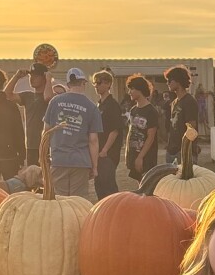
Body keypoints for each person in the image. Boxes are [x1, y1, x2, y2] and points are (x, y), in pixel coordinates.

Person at [41, 67, 101, 200]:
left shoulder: (55, 102)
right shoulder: (91, 107)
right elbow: (93, 140)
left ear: (68, 85)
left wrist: (44, 156)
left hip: (59, 159)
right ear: (84, 83)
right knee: (77, 202)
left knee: (59, 200)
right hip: (80, 161)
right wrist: (94, 167)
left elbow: (46, 132)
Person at [10, 64, 52, 168]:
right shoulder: (27, 96)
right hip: (31, 145)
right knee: (32, 176)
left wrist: (48, 80)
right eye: (30, 76)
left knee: (46, 175)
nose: (32, 79)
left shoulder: (51, 95)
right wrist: (16, 77)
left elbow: (48, 98)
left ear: (44, 77)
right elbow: (7, 95)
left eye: (36, 76)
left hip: (46, 145)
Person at [93, 69, 125, 200]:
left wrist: (105, 150)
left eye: (99, 82)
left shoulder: (112, 105)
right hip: (98, 151)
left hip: (108, 154)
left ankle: (115, 209)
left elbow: (115, 130)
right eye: (95, 83)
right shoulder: (99, 104)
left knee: (108, 186)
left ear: (108, 84)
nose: (96, 86)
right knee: (99, 184)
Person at [124, 74, 160, 181]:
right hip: (133, 154)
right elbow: (130, 132)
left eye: (132, 89)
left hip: (146, 157)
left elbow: (151, 137)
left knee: (147, 185)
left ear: (140, 90)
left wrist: (140, 157)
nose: (129, 92)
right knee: (139, 185)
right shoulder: (133, 110)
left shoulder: (151, 111)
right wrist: (127, 153)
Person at [166, 65, 200, 162]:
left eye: (170, 80)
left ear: (178, 81)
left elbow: (191, 128)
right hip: (172, 151)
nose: (167, 83)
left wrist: (186, 151)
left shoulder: (189, 101)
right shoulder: (174, 103)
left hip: (184, 152)